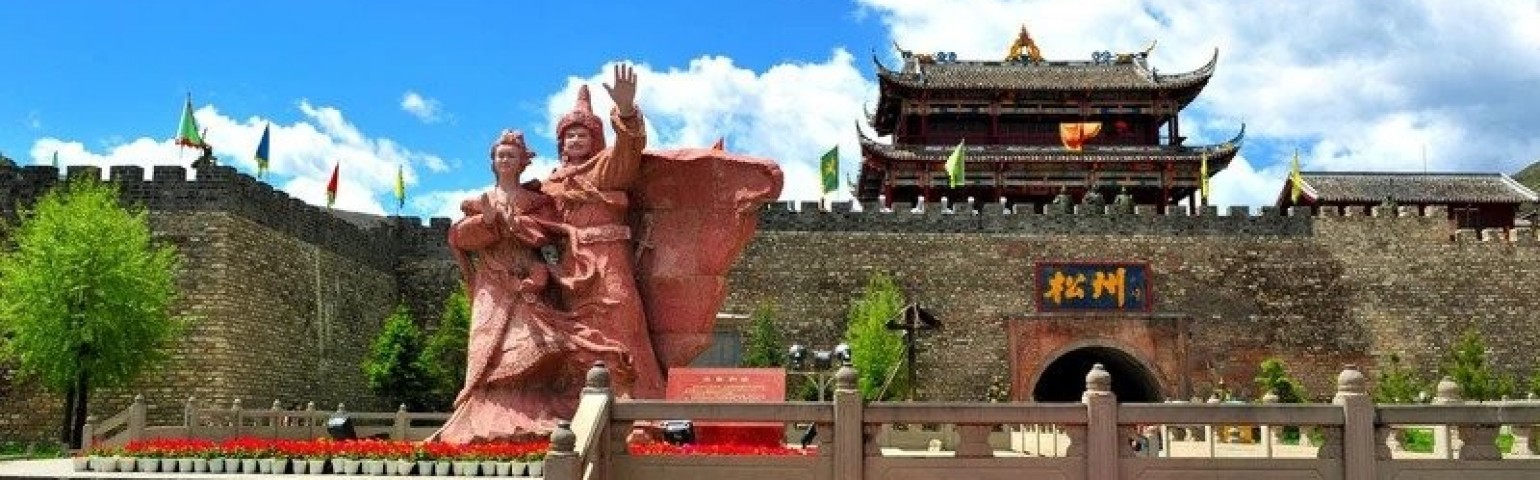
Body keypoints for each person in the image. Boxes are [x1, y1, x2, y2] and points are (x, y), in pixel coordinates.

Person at [430, 130, 635, 444]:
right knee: (487, 349)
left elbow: (547, 236)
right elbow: (459, 238)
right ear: (493, 162)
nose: (505, 160)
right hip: (493, 283)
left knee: (537, 343)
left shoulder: (537, 201)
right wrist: (487, 222)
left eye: (511, 155)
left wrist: (516, 225)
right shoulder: (479, 201)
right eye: (500, 155)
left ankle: (529, 411)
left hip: (527, 278)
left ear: (522, 162)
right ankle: (484, 416)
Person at [542, 64, 668, 399]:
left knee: (623, 316)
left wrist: (625, 111)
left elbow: (629, 149)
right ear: (561, 143)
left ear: (594, 139)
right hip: (571, 266)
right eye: (569, 135)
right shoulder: (549, 184)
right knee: (578, 331)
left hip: (610, 258)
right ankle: (576, 399)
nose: (575, 140)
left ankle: (640, 397)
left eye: (582, 135)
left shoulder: (605, 169)